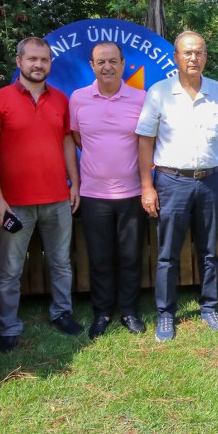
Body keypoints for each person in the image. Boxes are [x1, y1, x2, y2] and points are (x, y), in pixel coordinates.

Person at [137, 31, 218, 341]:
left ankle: (209, 307)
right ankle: (166, 313)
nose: (193, 58)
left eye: (199, 52)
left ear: (206, 57)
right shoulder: (159, 92)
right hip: (171, 182)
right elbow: (145, 141)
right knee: (168, 253)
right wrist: (147, 185)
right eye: (187, 53)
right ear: (176, 58)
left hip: (211, 181)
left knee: (210, 251)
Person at [0, 37, 81, 353]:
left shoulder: (61, 100)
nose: (38, 65)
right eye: (32, 59)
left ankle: (62, 313)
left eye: (44, 59)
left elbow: (66, 143)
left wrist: (74, 184)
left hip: (57, 198)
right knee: (9, 269)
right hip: (14, 203)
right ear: (19, 61)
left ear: (50, 63)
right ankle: (8, 327)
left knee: (61, 262)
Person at [70, 42, 148, 338]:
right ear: (92, 65)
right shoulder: (78, 99)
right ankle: (102, 312)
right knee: (100, 258)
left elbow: (146, 141)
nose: (107, 67)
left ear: (123, 63)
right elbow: (78, 138)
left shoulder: (141, 98)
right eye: (101, 62)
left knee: (130, 256)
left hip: (132, 193)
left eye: (113, 61)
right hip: (94, 194)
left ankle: (129, 310)